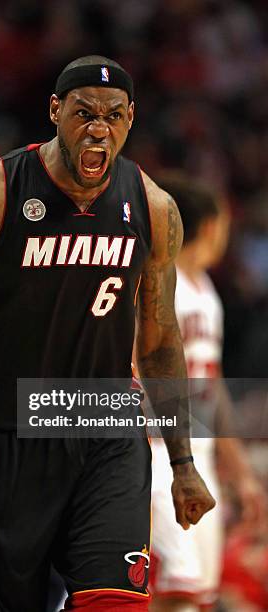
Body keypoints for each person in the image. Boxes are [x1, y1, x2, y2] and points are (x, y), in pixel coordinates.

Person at [0, 55, 216, 612]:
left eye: (114, 115)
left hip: (105, 424)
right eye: (84, 113)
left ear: (131, 120)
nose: (99, 127)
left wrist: (183, 463)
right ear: (54, 111)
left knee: (115, 602)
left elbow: (160, 338)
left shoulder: (153, 207)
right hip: (5, 432)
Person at [148, 173, 267, 612]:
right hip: (157, 455)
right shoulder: (155, 284)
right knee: (171, 589)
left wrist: (238, 472)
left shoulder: (207, 292)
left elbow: (211, 387)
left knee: (195, 595)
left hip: (198, 456)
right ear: (212, 226)